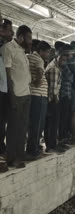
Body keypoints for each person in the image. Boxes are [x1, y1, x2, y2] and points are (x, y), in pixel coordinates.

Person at [2, 25, 33, 168]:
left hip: (26, 93)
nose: (30, 41)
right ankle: (11, 158)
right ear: (20, 37)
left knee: (23, 126)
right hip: (16, 94)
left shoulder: (22, 51)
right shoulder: (8, 48)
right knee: (13, 128)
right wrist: (12, 94)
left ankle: (20, 154)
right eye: (28, 38)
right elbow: (7, 74)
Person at [26, 40, 51, 157]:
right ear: (40, 51)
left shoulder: (28, 56)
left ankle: (32, 147)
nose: (48, 55)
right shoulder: (38, 59)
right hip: (39, 96)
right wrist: (37, 82)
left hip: (33, 95)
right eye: (47, 52)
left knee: (33, 124)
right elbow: (40, 72)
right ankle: (33, 150)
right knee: (38, 124)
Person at [44, 44, 68, 153]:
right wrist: (55, 99)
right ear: (57, 57)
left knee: (50, 123)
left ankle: (51, 144)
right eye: (62, 59)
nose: (63, 61)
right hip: (52, 99)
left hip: (50, 99)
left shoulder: (55, 66)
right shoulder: (54, 69)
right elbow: (53, 88)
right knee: (53, 123)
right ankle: (51, 146)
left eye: (65, 59)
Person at [0, 18, 13, 155]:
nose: (12, 33)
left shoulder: (6, 47)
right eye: (9, 30)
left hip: (4, 88)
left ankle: (1, 146)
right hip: (2, 87)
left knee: (2, 119)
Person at [59, 44, 73, 141]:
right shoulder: (63, 64)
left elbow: (71, 78)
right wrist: (71, 78)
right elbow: (69, 77)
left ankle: (63, 136)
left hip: (67, 93)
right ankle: (61, 136)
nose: (71, 55)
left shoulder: (66, 64)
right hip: (63, 93)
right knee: (63, 116)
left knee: (65, 115)